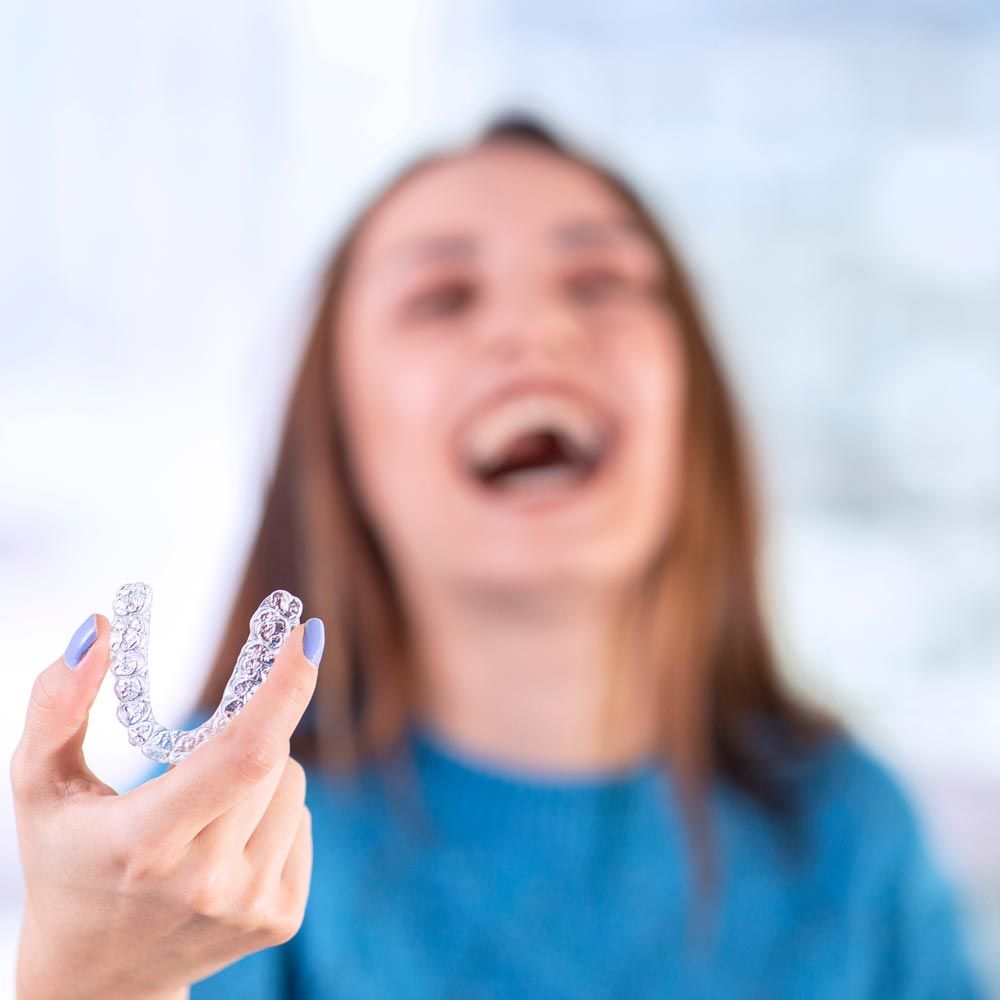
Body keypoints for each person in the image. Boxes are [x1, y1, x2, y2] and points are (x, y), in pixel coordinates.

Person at [11, 112, 984, 999]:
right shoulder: (203, 854)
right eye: (443, 298)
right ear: (339, 442)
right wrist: (90, 983)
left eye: (600, 282)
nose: (535, 330)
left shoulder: (854, 832)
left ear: (692, 412)